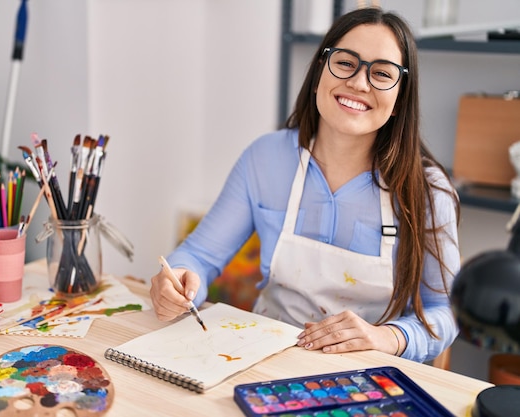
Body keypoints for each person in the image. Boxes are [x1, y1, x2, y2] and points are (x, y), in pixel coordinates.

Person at [149, 6, 460, 363]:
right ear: (318, 72)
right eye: (346, 63)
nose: (359, 83)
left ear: (398, 101)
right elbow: (199, 256)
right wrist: (178, 280)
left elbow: (445, 311)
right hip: (263, 357)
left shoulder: (429, 191)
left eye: (382, 73)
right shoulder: (265, 158)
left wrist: (387, 337)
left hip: (369, 374)